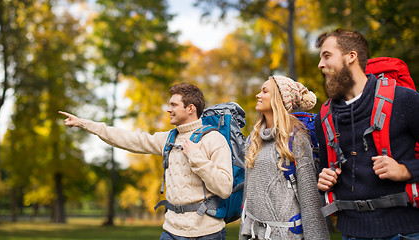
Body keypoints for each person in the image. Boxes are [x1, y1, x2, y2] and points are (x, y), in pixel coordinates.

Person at [59, 83, 233, 240]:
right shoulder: (169, 138)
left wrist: (196, 157)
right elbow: (129, 139)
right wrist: (85, 123)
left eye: (174, 105)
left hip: (207, 233)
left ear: (190, 109)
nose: (168, 109)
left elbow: (225, 189)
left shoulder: (214, 139)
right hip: (172, 230)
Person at [315, 28, 419, 239]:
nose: (320, 65)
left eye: (327, 56)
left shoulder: (405, 100)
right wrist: (324, 179)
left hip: (405, 231)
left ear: (351, 56)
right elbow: (327, 169)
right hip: (351, 233)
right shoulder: (323, 118)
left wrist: (406, 170)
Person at [239, 75, 329, 239]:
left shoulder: (296, 139)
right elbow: (248, 197)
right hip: (254, 234)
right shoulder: (253, 139)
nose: (258, 95)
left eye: (265, 91)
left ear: (279, 99)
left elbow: (309, 201)